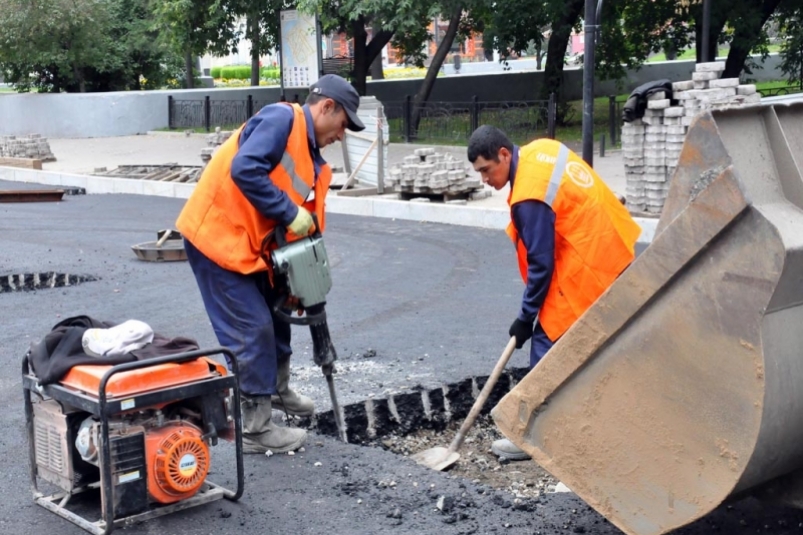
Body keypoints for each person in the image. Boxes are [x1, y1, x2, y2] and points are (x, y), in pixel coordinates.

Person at [176, 74, 365, 454]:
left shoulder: (312, 156)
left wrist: (298, 278)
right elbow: (245, 168)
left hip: (249, 246)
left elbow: (300, 221)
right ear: (326, 107)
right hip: (217, 238)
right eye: (343, 124)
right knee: (252, 328)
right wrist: (287, 211)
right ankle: (255, 427)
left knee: (278, 314)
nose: (342, 135)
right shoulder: (282, 120)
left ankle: (275, 390)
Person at [467, 126, 640, 461]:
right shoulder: (539, 150)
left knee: (546, 343)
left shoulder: (529, 195)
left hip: (588, 265)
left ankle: (533, 436)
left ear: (504, 154)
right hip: (610, 247)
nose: (484, 180)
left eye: (486, 170)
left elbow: (541, 263)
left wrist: (525, 318)